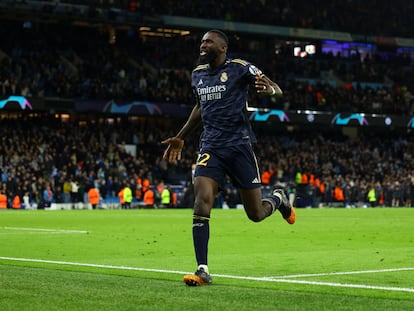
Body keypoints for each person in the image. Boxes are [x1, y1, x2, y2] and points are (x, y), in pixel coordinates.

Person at [161, 29, 296, 287]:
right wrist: (181, 135)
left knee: (255, 214)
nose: (203, 44)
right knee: (202, 201)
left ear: (222, 48)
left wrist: (270, 91)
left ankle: (278, 199)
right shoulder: (197, 75)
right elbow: (200, 107)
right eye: (201, 41)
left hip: (239, 146)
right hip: (210, 146)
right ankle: (202, 270)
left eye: (208, 41)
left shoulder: (240, 67)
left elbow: (276, 88)